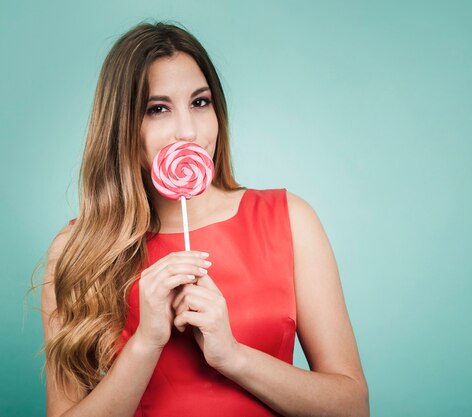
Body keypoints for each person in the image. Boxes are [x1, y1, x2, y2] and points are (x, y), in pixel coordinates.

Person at [39, 20, 369, 417]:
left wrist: (232, 356)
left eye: (200, 102)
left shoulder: (290, 220)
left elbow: (352, 407)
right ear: (121, 126)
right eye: (157, 109)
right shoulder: (76, 251)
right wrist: (147, 341)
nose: (188, 131)